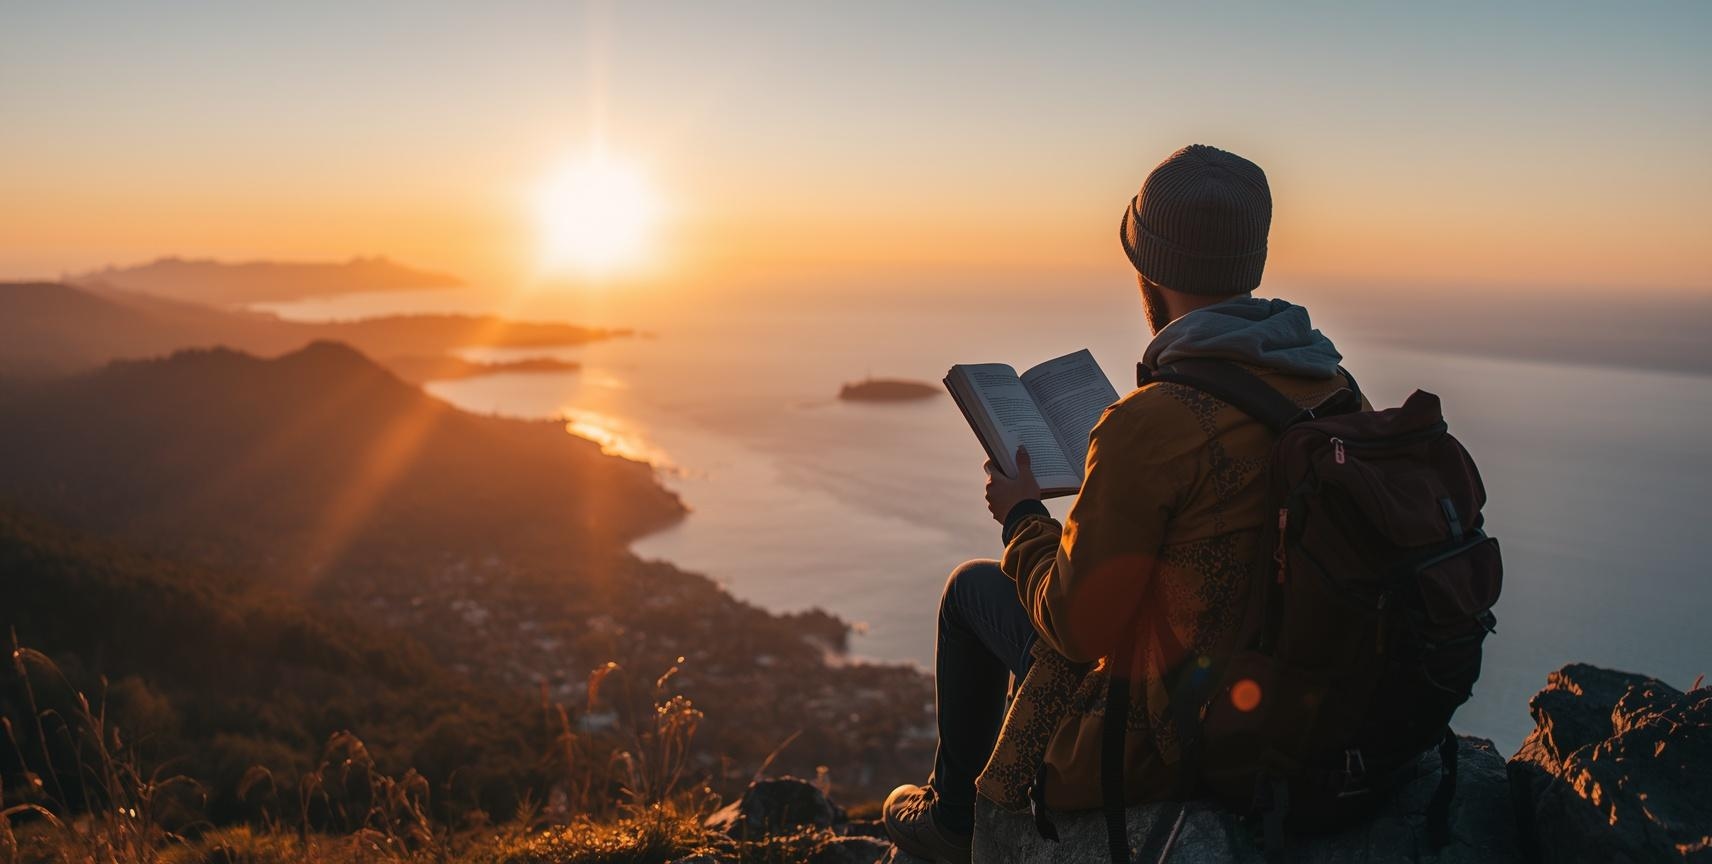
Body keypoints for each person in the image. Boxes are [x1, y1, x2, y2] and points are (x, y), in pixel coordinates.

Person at [882, 144, 1361, 863]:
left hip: (1163, 733)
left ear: (1150, 274)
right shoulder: (1331, 386)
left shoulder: (1152, 422)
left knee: (970, 591)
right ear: (1251, 264)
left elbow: (1074, 628)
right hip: (1283, 698)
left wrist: (1022, 517)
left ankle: (957, 823)